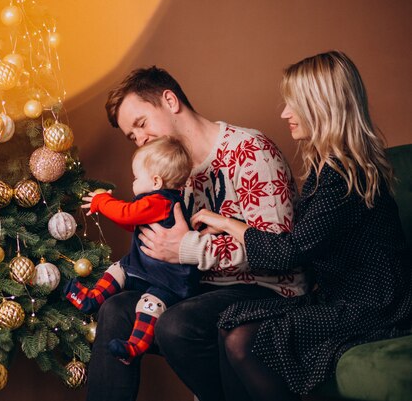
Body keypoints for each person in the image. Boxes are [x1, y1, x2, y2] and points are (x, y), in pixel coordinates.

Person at [189, 51, 412, 400]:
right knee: (231, 322)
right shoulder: (328, 167)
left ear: (321, 107)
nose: (284, 114)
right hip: (340, 295)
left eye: (293, 104)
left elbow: (290, 252)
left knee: (242, 339)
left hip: (375, 302)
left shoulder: (342, 174)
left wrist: (228, 223)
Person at [86, 66, 307, 401]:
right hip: (198, 288)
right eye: (132, 136)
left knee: (176, 324)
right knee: (116, 309)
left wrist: (186, 248)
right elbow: (163, 247)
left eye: (141, 124)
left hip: (268, 290)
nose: (140, 140)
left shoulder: (250, 151)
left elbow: (279, 250)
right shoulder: (169, 173)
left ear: (170, 101)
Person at [65, 136, 201, 365]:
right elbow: (132, 222)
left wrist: (102, 201)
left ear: (156, 181)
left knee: (148, 305)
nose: (133, 182)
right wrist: (112, 209)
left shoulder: (159, 201)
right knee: (118, 268)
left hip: (166, 281)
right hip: (143, 269)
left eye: (137, 177)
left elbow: (127, 214)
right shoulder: (160, 202)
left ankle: (134, 346)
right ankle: (91, 299)